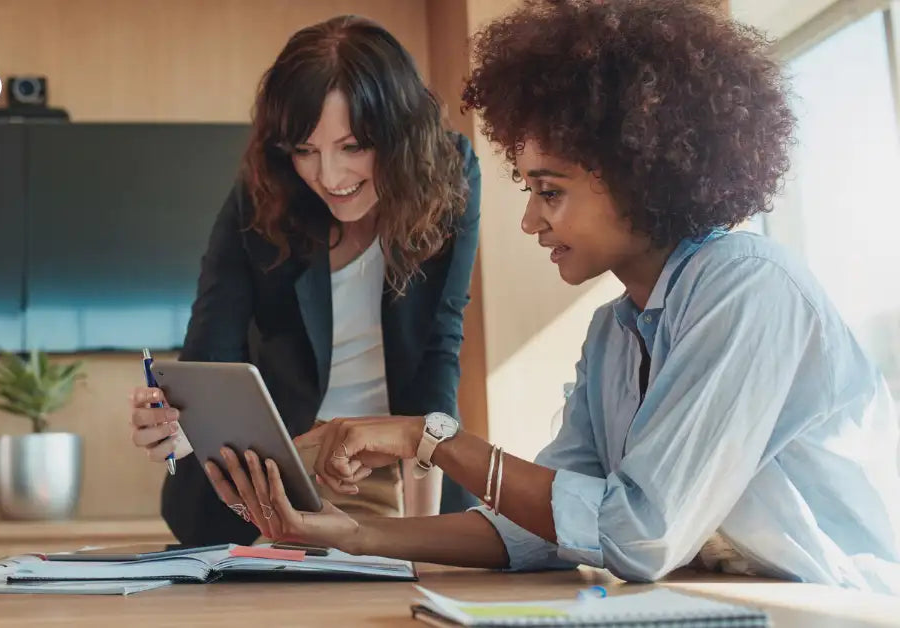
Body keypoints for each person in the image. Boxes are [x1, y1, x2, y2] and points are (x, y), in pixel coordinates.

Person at [204, 0, 900, 595]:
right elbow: (542, 527)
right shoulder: (614, 336)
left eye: (551, 192)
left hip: (836, 606)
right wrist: (356, 535)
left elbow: (637, 534)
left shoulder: (747, 288)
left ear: (639, 175)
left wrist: (430, 437)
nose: (530, 220)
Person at [128, 14, 482, 546]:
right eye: (305, 150)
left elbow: (439, 347)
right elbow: (210, 354)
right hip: (272, 480)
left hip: (405, 470)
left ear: (401, 136)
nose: (330, 177)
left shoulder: (449, 174)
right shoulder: (264, 192)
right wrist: (175, 426)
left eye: (354, 146)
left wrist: (422, 534)